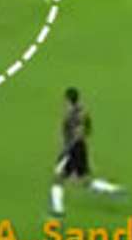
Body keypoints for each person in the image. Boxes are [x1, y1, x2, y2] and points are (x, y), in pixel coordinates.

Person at [49, 87, 126, 217]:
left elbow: (73, 134)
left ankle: (58, 210)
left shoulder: (70, 115)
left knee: (58, 179)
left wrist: (66, 151)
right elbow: (88, 130)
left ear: (68, 99)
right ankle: (112, 190)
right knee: (85, 181)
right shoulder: (83, 112)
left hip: (72, 149)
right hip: (81, 147)